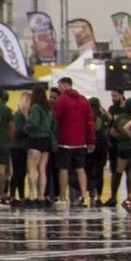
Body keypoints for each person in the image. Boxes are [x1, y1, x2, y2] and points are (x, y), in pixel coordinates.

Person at [52, 77, 94, 208]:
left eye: (59, 85)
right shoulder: (84, 100)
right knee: (80, 168)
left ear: (65, 85)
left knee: (64, 168)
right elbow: (89, 121)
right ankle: (84, 197)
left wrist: (55, 137)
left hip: (65, 141)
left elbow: (56, 119)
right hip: (81, 142)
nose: (59, 88)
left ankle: (63, 197)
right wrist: (91, 140)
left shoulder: (61, 100)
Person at [25, 86, 55, 208]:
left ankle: (31, 196)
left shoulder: (35, 107)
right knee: (42, 169)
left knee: (32, 168)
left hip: (36, 139)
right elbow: (53, 125)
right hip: (47, 140)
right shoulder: (49, 109)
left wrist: (26, 126)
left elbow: (34, 124)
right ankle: (41, 196)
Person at [106, 97, 131, 207]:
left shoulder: (119, 118)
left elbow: (112, 132)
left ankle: (113, 197)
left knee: (118, 172)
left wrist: (121, 138)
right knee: (130, 174)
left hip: (121, 148)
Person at [10, 91, 32, 204]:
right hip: (17, 147)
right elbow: (18, 131)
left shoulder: (22, 115)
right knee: (18, 172)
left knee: (20, 172)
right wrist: (29, 127)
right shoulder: (19, 115)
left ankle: (17, 195)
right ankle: (15, 196)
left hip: (20, 147)